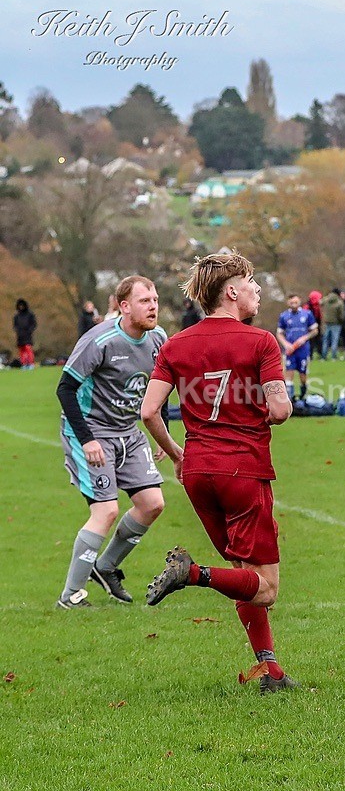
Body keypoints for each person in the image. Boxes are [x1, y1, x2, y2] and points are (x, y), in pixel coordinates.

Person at [140, 250, 296, 694]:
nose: (258, 290)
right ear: (231, 291)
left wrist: (175, 455)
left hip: (198, 472)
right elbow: (280, 408)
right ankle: (191, 573)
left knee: (244, 574)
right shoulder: (260, 341)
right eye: (252, 283)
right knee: (265, 588)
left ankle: (271, 671)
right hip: (242, 471)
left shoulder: (175, 345)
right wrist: (271, 411)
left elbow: (150, 411)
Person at [55, 276, 168, 609]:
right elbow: (64, 389)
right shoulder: (100, 340)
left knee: (152, 504)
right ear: (124, 306)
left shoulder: (159, 338)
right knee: (106, 510)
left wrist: (163, 433)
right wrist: (87, 440)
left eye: (156, 300)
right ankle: (71, 596)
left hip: (128, 432)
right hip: (91, 431)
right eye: (145, 301)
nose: (153, 306)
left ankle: (105, 567)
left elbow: (160, 390)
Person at [277, 294, 318, 400]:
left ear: (299, 301)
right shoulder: (284, 316)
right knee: (289, 371)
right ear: (288, 303)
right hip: (290, 350)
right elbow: (279, 333)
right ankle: (289, 398)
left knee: (303, 373)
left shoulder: (307, 314)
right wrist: (286, 344)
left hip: (303, 349)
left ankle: (303, 395)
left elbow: (315, 331)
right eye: (291, 303)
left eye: (296, 302)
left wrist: (305, 338)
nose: (294, 305)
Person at [320, 287, 345, 360]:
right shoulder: (339, 302)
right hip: (336, 323)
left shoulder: (325, 300)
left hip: (326, 323)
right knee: (334, 340)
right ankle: (333, 356)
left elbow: (320, 303)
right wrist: (341, 321)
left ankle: (323, 357)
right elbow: (341, 315)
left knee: (325, 340)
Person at [13, 298, 36, 370]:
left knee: (28, 349)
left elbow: (33, 324)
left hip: (27, 335)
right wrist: (18, 331)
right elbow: (15, 325)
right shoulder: (16, 316)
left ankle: (31, 363)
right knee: (21, 351)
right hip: (20, 336)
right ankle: (24, 364)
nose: (21, 307)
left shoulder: (30, 314)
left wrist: (29, 330)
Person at [305, 290, 323, 359]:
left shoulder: (317, 306)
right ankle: (310, 354)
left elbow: (319, 316)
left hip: (317, 324)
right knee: (311, 341)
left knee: (318, 340)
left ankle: (320, 353)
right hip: (309, 326)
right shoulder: (307, 306)